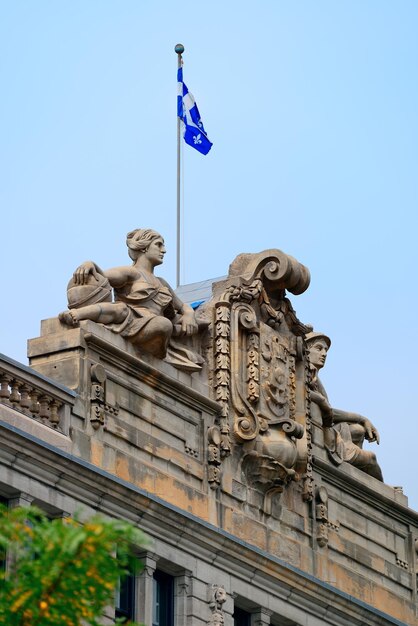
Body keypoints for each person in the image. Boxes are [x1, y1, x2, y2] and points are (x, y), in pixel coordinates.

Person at [59, 228, 203, 371]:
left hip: (154, 327)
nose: (164, 250)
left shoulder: (162, 283)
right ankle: (77, 314)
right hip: (130, 320)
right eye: (159, 245)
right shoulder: (132, 273)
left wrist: (189, 315)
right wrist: (90, 264)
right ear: (144, 247)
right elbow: (102, 276)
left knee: (163, 324)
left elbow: (183, 306)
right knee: (121, 308)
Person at [306, 331, 383, 481]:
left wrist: (361, 419)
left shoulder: (316, 379)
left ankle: (357, 474)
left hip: (327, 429)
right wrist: (321, 402)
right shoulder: (303, 371)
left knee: (359, 431)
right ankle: (385, 493)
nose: (324, 354)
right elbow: (309, 397)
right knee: (371, 458)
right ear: (306, 350)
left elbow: (330, 411)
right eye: (319, 348)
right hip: (322, 434)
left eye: (326, 350)